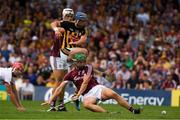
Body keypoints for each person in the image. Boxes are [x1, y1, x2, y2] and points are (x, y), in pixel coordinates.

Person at [42, 52, 141, 114]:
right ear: (75, 62)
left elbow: (85, 82)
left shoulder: (88, 67)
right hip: (87, 94)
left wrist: (78, 95)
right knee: (87, 105)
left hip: (96, 88)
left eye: (83, 61)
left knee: (113, 94)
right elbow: (59, 88)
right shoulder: (70, 74)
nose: (82, 63)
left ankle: (132, 110)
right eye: (80, 62)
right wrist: (51, 99)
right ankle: (108, 114)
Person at [49, 9, 88, 111]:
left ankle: (61, 104)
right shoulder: (62, 25)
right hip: (56, 56)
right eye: (67, 15)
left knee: (64, 81)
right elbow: (54, 24)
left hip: (67, 56)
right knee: (59, 81)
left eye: (71, 15)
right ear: (63, 15)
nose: (69, 16)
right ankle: (52, 104)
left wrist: (76, 42)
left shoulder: (74, 26)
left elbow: (83, 39)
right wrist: (56, 30)